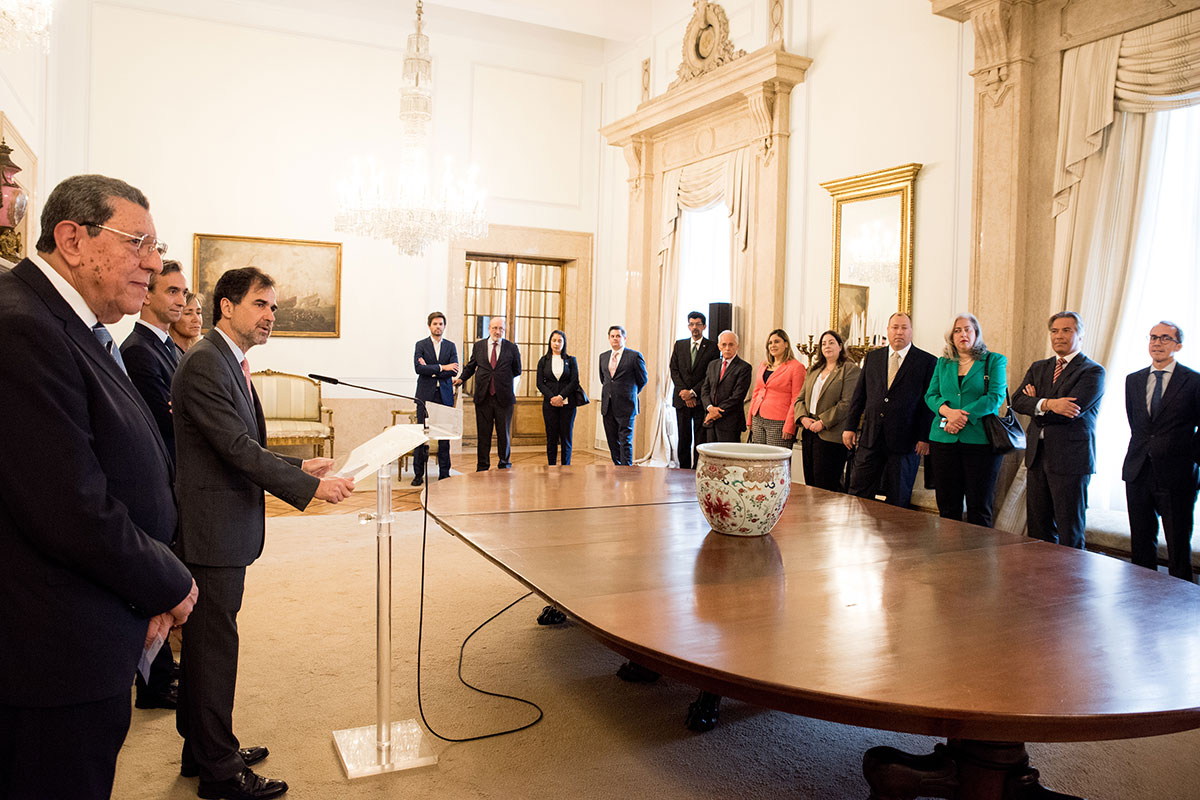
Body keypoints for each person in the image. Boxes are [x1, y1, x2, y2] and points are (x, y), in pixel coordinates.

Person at [0, 174, 197, 800]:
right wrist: (169, 582)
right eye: (137, 242)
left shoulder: (70, 323)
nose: (155, 261)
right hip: (52, 649)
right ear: (72, 239)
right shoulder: (23, 326)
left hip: (95, 619)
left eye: (156, 245)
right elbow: (69, 507)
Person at [172, 266, 355, 799]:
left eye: (273, 306)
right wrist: (307, 489)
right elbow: (235, 449)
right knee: (212, 648)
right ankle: (220, 773)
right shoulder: (208, 362)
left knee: (209, 644)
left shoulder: (228, 360)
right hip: (211, 531)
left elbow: (240, 442)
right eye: (259, 304)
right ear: (227, 306)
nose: (270, 315)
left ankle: (201, 747)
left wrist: (302, 468)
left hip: (222, 526)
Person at [120, 258, 188, 710]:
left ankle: (163, 672)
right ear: (147, 295)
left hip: (174, 473)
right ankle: (155, 683)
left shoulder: (168, 346)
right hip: (159, 477)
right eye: (171, 292)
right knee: (159, 580)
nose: (181, 301)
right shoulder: (140, 349)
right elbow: (165, 419)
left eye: (184, 293)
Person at [1010, 312, 1105, 549]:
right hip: (1037, 456)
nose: (1059, 336)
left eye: (1066, 330)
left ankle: (1070, 584)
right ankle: (1042, 580)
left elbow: (1072, 411)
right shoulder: (1039, 367)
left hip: (1070, 460)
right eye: (1054, 331)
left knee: (1069, 531)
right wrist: (1051, 403)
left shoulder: (1092, 371)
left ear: (1080, 336)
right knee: (1038, 530)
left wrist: (1037, 402)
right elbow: (1017, 402)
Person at [1122, 321, 1200, 582]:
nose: (1157, 343)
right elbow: (1137, 424)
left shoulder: (1193, 381)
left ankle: (1182, 604)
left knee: (1178, 547)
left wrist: (1191, 457)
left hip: (1177, 474)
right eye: (1153, 337)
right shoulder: (1133, 380)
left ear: (1178, 345)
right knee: (1141, 544)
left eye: (1165, 338)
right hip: (1138, 471)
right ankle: (1143, 597)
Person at [842, 312, 937, 507]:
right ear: (887, 330)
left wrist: (924, 437)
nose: (899, 332)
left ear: (911, 331)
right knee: (858, 493)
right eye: (895, 327)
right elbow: (860, 395)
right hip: (871, 437)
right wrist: (850, 426)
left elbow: (928, 403)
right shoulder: (873, 357)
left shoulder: (926, 361)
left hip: (905, 442)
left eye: (904, 328)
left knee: (898, 497)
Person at [924, 313, 1007, 527]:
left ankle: (978, 557)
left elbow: (995, 397)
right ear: (951, 337)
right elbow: (930, 395)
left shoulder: (994, 360)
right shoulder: (943, 363)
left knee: (979, 506)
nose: (963, 334)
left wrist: (961, 416)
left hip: (980, 442)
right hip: (943, 440)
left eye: (968, 329)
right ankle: (950, 556)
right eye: (957, 330)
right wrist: (948, 413)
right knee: (947, 505)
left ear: (976, 333)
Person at [795, 330, 861, 492]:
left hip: (831, 435)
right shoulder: (813, 370)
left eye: (831, 343)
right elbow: (799, 399)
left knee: (826, 487)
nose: (827, 346)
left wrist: (823, 422)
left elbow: (847, 403)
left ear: (840, 347)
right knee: (810, 483)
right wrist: (803, 418)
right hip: (809, 432)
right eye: (823, 343)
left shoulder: (849, 370)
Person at [456, 317, 521, 471]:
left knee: (503, 434)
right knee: (483, 435)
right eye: (494, 328)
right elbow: (471, 366)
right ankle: (482, 465)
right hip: (483, 397)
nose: (497, 332)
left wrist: (501, 377)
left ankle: (504, 463)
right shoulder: (478, 346)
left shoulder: (511, 348)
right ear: (489, 328)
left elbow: (517, 370)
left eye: (501, 329)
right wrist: (461, 379)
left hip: (503, 398)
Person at [412, 311, 459, 486]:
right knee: (421, 436)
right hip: (425, 396)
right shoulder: (421, 345)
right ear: (429, 326)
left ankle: (444, 473)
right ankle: (418, 475)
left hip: (444, 396)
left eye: (440, 324)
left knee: (444, 436)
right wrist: (442, 367)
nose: (438, 327)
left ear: (444, 326)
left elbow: (454, 370)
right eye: (435, 324)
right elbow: (418, 368)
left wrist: (431, 369)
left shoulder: (450, 346)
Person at [668, 311, 719, 468]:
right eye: (692, 324)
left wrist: (693, 393)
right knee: (683, 438)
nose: (694, 327)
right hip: (681, 400)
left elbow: (709, 375)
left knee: (699, 439)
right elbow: (674, 369)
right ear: (688, 326)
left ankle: (697, 469)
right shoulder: (680, 345)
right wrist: (684, 392)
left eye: (698, 324)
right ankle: (683, 469)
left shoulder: (712, 347)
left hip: (700, 402)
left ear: (704, 326)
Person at [747, 328, 805, 448]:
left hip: (779, 422)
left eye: (776, 341)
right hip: (758, 418)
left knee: (775, 462)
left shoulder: (796, 367)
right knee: (758, 459)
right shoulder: (764, 365)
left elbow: (797, 399)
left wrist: (790, 426)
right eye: (770, 343)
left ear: (786, 344)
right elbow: (756, 392)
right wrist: (750, 418)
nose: (773, 345)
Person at [599, 324, 648, 465]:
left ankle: (626, 472)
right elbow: (604, 379)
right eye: (612, 336)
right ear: (609, 338)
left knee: (625, 441)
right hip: (608, 406)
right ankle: (617, 467)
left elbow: (642, 379)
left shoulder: (634, 356)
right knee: (612, 440)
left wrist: (629, 393)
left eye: (618, 336)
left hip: (626, 405)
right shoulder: (603, 357)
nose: (615, 339)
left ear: (624, 338)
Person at [536, 329, 581, 465]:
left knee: (566, 437)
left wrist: (561, 396)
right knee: (551, 437)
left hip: (568, 404)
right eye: (554, 340)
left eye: (559, 341)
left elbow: (575, 381)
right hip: (549, 404)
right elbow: (539, 383)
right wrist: (552, 398)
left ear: (564, 343)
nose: (556, 344)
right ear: (550, 342)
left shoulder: (571, 360)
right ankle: (551, 466)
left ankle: (566, 467)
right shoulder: (543, 361)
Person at [701, 330, 752, 443]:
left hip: (730, 423)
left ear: (737, 346)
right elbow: (705, 390)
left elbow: (738, 396)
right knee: (711, 457)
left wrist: (716, 413)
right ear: (719, 346)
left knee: (728, 458)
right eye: (724, 344)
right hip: (711, 422)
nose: (727, 348)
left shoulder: (744, 367)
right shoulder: (712, 365)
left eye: (731, 344)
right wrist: (710, 408)